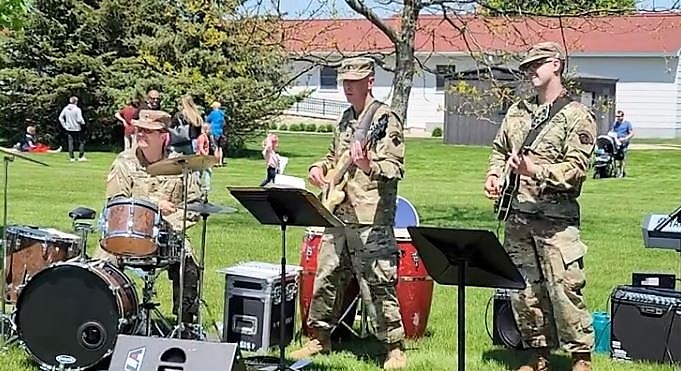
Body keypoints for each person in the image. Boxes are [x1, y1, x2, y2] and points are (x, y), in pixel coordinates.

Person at [483, 42, 596, 371]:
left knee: (565, 291)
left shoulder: (577, 116)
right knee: (524, 291)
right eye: (527, 66)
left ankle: (580, 359)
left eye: (537, 64)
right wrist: (494, 174)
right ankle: (538, 356)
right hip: (518, 219)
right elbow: (500, 149)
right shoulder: (518, 111)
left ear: (556, 65)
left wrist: (536, 171)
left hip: (555, 222)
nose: (530, 70)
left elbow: (576, 171)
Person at [290, 57, 407, 369]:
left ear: (370, 81)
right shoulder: (344, 119)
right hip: (338, 212)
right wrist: (319, 169)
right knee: (326, 276)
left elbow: (394, 168)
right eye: (344, 82)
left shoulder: (385, 118)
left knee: (377, 282)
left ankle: (394, 347)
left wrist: (369, 165)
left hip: (370, 216)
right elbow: (333, 157)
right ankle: (319, 338)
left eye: (354, 82)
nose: (348, 88)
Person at [92, 109, 203, 336]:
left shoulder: (181, 166)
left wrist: (168, 223)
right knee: (99, 265)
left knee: (189, 263)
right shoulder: (124, 162)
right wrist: (153, 203)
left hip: (167, 234)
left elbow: (195, 205)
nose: (140, 134)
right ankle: (101, 318)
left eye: (147, 131)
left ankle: (185, 325)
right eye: (139, 129)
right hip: (128, 232)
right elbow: (116, 202)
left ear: (163, 136)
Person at [58, 96, 87, 161]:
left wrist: (64, 125)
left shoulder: (66, 108)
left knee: (70, 142)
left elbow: (60, 118)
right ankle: (81, 156)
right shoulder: (77, 109)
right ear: (76, 102)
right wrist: (83, 123)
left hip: (69, 128)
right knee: (81, 142)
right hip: (77, 128)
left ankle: (71, 157)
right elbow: (79, 119)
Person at [610, 110, 634, 177]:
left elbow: (631, 133)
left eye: (619, 116)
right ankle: (615, 171)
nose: (617, 118)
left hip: (623, 143)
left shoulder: (627, 123)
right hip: (616, 142)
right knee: (614, 157)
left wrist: (625, 138)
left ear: (622, 116)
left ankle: (621, 172)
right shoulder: (615, 124)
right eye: (617, 116)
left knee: (622, 158)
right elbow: (613, 131)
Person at [205, 101, 226, 166]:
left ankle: (216, 162)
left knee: (215, 147)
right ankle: (220, 162)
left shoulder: (213, 113)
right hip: (221, 132)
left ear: (214, 107)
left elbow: (207, 120)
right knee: (220, 148)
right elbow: (224, 123)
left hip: (214, 131)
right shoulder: (222, 114)